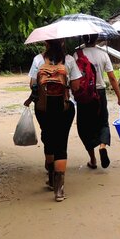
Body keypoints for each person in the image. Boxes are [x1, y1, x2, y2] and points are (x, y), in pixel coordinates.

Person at [24, 39, 82, 202]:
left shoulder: (38, 60)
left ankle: (50, 177)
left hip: (43, 108)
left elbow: (32, 84)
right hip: (63, 107)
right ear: (62, 43)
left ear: (46, 43)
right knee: (61, 144)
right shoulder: (69, 60)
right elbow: (76, 85)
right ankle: (59, 190)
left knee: (48, 139)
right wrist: (66, 85)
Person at [75, 34, 120, 169]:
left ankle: (92, 160)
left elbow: (72, 78)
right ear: (97, 38)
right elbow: (112, 78)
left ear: (83, 39)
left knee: (84, 127)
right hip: (100, 93)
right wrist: (119, 98)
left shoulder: (76, 55)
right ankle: (102, 146)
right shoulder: (103, 54)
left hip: (84, 96)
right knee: (103, 122)